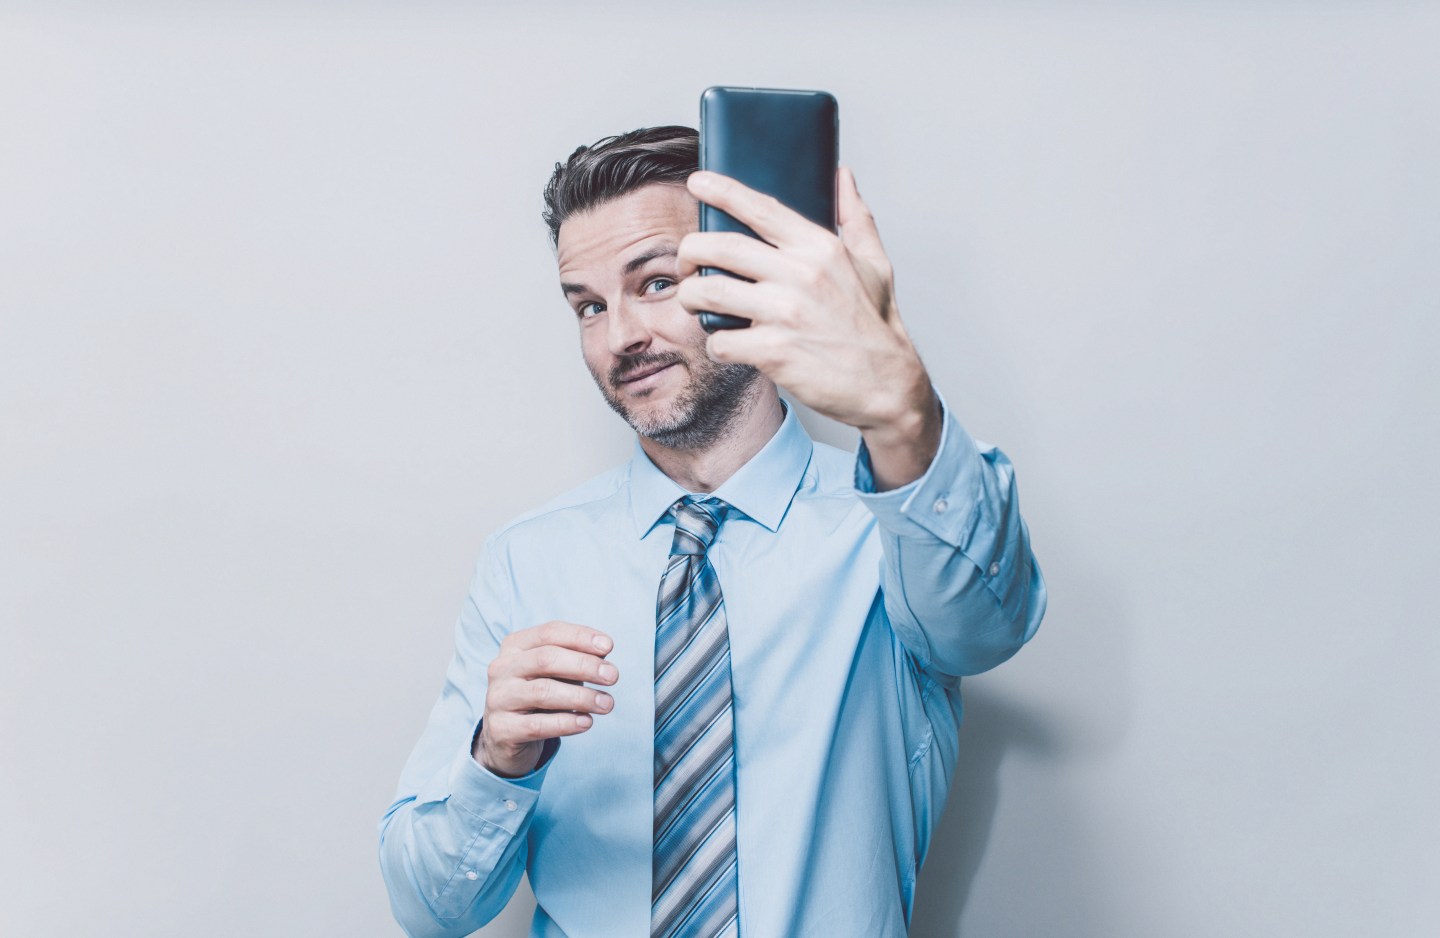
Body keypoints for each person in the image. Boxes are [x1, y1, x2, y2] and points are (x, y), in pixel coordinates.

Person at [378, 125, 1046, 938]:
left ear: (747, 281)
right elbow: (430, 909)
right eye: (589, 306)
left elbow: (990, 625)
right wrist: (496, 762)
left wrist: (902, 410)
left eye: (656, 282)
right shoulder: (528, 562)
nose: (620, 337)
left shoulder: (889, 525)